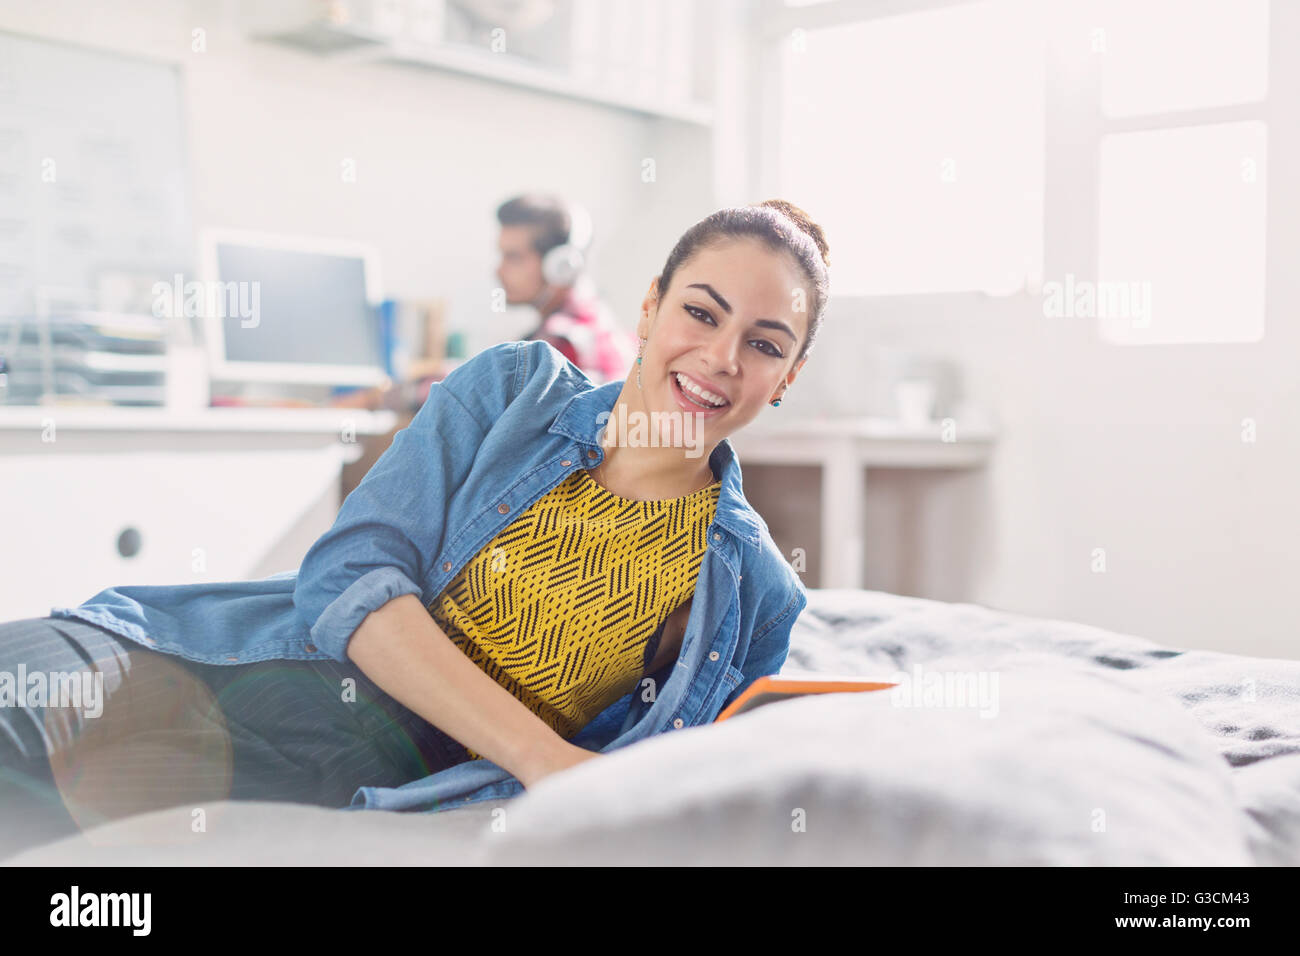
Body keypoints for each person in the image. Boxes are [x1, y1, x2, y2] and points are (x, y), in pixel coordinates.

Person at [0, 199, 831, 858]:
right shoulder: (518, 386)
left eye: (763, 343)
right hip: (231, 652)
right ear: (649, 307)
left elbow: (674, 774)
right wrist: (544, 760)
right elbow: (348, 575)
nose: (723, 357)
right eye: (701, 312)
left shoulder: (753, 590)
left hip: (355, 767)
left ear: (788, 376)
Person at [495, 193, 639, 383]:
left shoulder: (564, 345)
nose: (499, 271)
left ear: (560, 265)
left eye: (513, 257)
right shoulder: (600, 325)